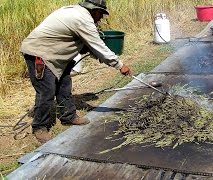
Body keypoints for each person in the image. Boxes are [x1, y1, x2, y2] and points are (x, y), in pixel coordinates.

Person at [20, 0, 132, 143]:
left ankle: (68, 116)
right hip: (40, 53)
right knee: (46, 91)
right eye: (101, 14)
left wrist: (99, 55)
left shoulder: (78, 13)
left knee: (64, 85)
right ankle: (39, 127)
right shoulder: (82, 19)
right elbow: (97, 45)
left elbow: (88, 46)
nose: (101, 17)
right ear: (94, 10)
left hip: (56, 56)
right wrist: (119, 64)